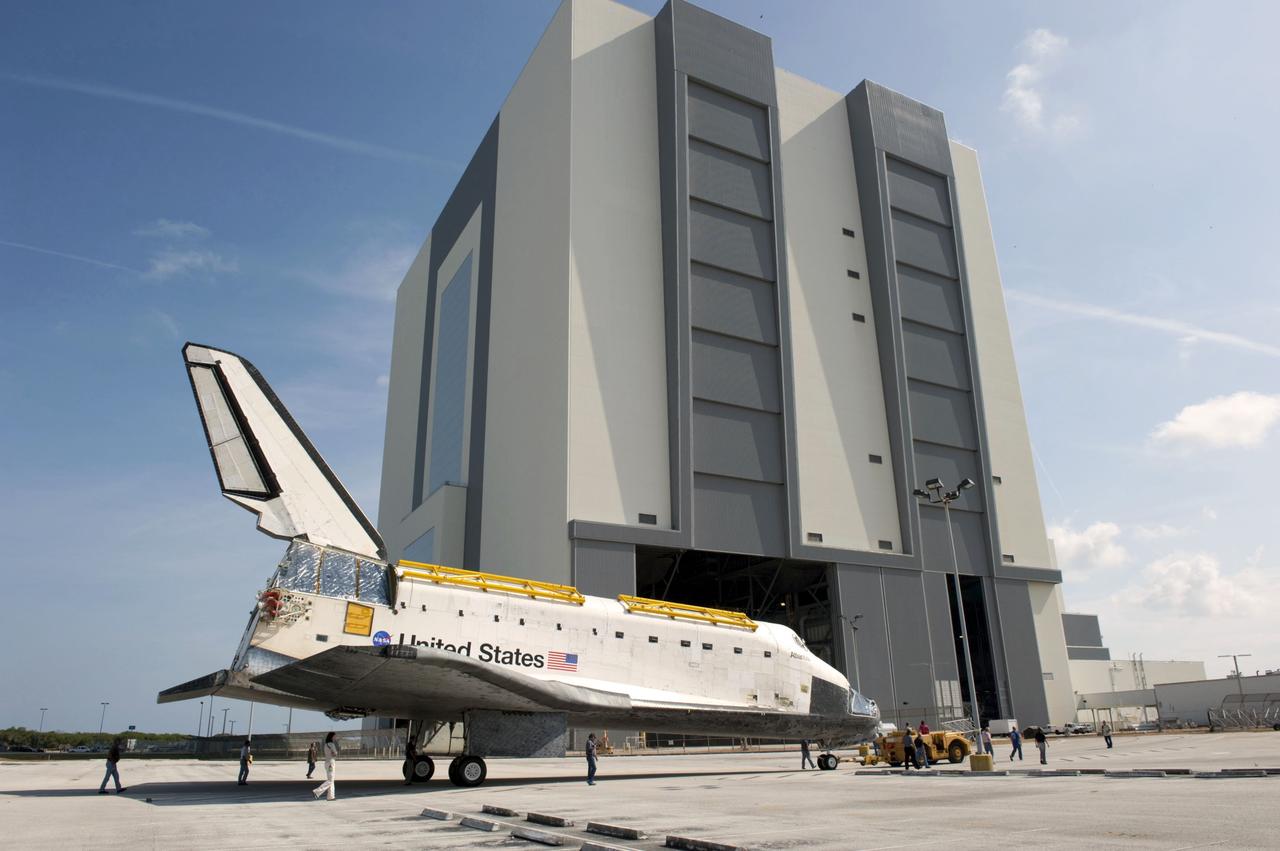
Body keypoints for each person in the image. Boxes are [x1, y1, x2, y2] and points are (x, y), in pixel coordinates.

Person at [313, 732, 338, 800]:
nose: (335, 737)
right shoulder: (332, 744)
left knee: (331, 780)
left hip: (326, 762)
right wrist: (335, 753)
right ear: (331, 737)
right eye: (334, 736)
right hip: (331, 763)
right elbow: (335, 753)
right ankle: (317, 791)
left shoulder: (325, 745)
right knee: (330, 780)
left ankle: (331, 796)